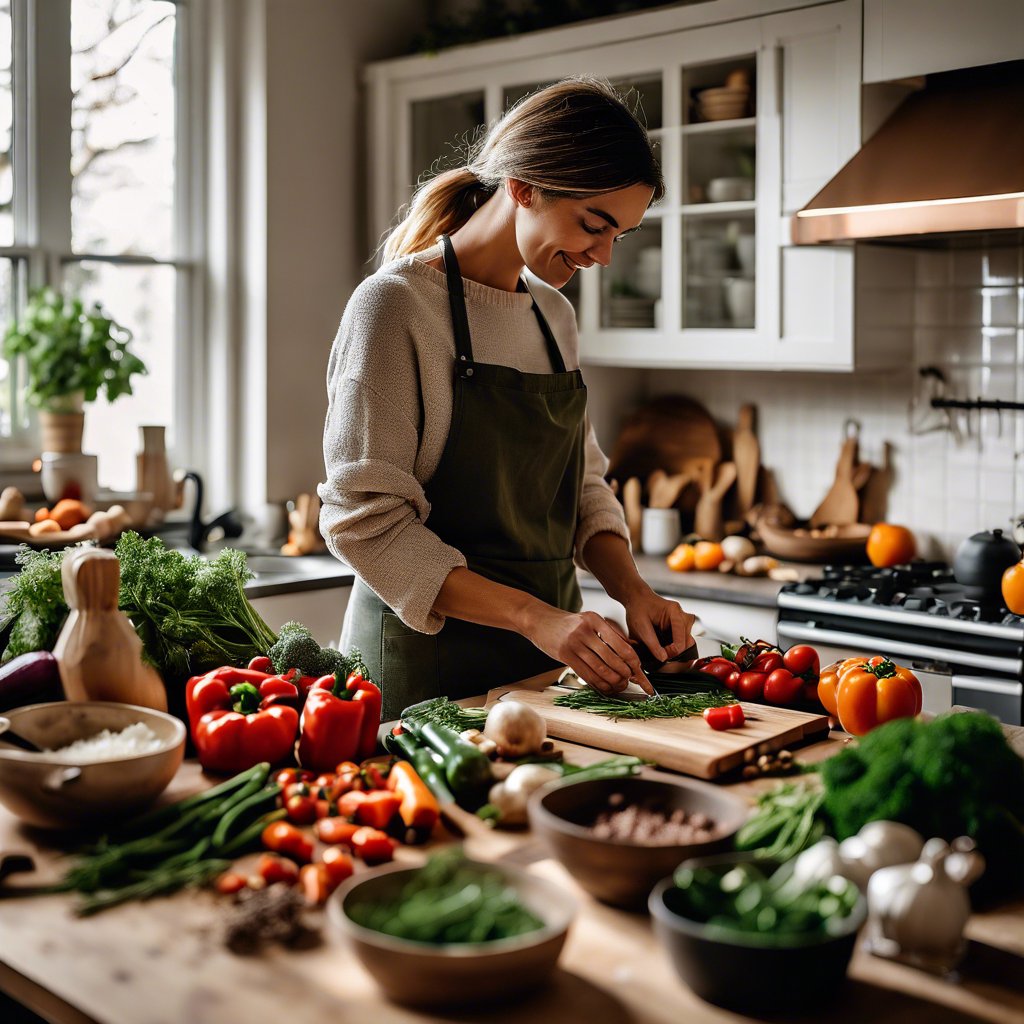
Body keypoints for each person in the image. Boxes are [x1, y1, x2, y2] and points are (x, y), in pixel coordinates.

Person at [318, 77, 695, 720]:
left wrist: (633, 591)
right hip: (423, 677)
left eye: (619, 236)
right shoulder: (395, 308)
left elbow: (582, 487)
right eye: (594, 224)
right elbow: (363, 521)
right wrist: (536, 618)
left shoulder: (554, 316)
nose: (603, 255)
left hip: (545, 666)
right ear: (522, 188)